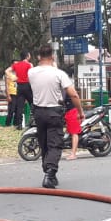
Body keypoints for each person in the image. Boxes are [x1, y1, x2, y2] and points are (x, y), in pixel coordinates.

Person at [28, 45, 84, 189]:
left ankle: (48, 171)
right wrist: (80, 111)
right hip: (54, 112)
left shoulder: (31, 72)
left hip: (38, 112)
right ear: (52, 57)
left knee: (44, 142)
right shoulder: (59, 74)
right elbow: (73, 94)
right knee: (55, 144)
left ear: (38, 57)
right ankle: (50, 173)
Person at [11, 50, 32, 129]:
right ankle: (34, 121)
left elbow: (7, 71)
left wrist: (14, 78)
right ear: (27, 56)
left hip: (19, 86)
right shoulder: (29, 65)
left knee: (20, 106)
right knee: (33, 103)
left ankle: (19, 124)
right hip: (27, 85)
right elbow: (32, 75)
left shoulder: (16, 65)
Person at [4, 59, 18, 127]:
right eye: (15, 64)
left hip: (18, 93)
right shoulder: (8, 73)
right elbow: (6, 85)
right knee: (11, 110)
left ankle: (16, 124)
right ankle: (8, 124)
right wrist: (8, 95)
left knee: (18, 110)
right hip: (12, 93)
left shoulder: (18, 73)